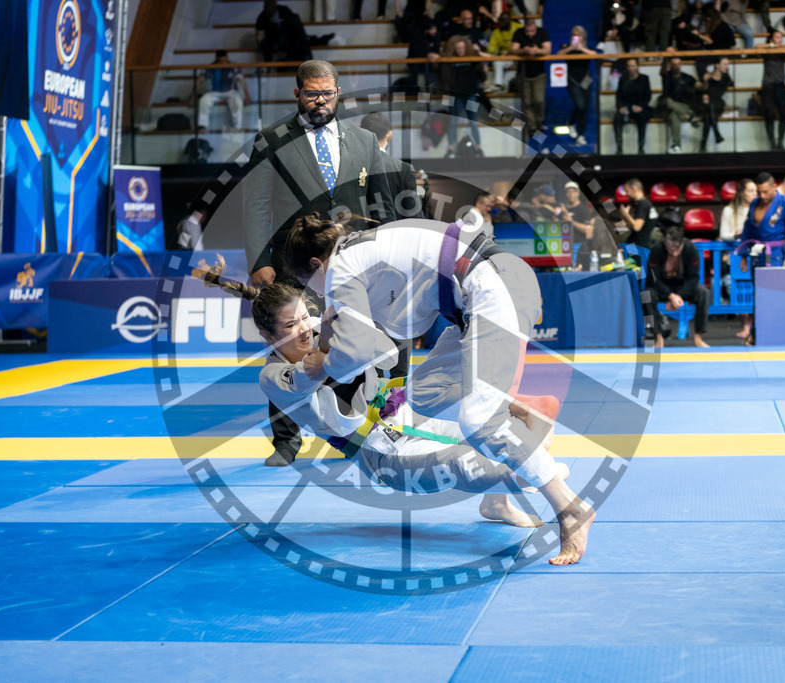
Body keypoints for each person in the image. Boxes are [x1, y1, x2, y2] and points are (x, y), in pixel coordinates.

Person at [282, 214, 597, 565]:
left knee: (479, 423)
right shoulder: (360, 247)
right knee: (423, 394)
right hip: (478, 297)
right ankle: (498, 492)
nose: (316, 292)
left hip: (494, 290)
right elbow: (370, 335)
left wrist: (322, 365)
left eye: (309, 283)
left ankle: (570, 508)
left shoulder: (341, 268)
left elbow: (356, 353)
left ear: (316, 263)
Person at [199, 265, 558, 529]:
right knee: (485, 465)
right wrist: (335, 340)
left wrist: (351, 327)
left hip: (405, 409)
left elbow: (387, 356)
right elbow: (310, 377)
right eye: (291, 326)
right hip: (382, 452)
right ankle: (532, 479)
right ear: (267, 335)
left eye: (306, 316)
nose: (306, 328)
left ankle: (496, 503)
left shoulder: (328, 330)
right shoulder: (271, 377)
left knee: (488, 412)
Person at [242, 60, 395, 467]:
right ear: (298, 94)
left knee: (354, 342)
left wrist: (387, 255)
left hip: (352, 262)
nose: (320, 101)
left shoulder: (363, 141)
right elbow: (256, 205)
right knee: (288, 347)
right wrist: (259, 260)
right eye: (312, 93)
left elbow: (382, 204)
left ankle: (362, 429)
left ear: (338, 93)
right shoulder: (271, 140)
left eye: (327, 93)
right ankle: (286, 441)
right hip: (292, 262)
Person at [648, 225, 710, 349]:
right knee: (646, 294)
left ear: (682, 243)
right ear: (665, 244)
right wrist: (669, 296)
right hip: (662, 286)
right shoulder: (657, 249)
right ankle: (658, 337)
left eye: (677, 249)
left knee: (703, 293)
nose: (674, 253)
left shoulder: (690, 249)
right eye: (671, 249)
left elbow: (693, 277)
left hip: (683, 286)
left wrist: (679, 296)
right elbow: (653, 278)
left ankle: (698, 337)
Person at [359, 111, 421, 221]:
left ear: (361, 136)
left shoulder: (352, 166)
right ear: (389, 136)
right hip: (394, 230)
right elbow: (414, 215)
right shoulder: (404, 169)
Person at [718, 178, 757, 338]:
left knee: (754, 288)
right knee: (740, 289)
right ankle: (746, 326)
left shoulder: (758, 208)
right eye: (751, 190)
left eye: (755, 190)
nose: (755, 193)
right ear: (742, 192)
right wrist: (737, 235)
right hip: (736, 256)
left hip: (755, 254)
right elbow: (723, 234)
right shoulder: (729, 210)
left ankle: (753, 326)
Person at [742, 171, 785, 266]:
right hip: (756, 252)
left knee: (773, 276)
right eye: (759, 192)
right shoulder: (754, 203)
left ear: (774, 187)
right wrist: (743, 254)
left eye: (765, 192)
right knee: (755, 276)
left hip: (775, 253)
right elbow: (747, 229)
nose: (762, 196)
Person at [440, 35, 487, 157]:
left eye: (462, 48)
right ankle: (451, 148)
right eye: (458, 48)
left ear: (466, 47)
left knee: (473, 121)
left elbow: (481, 75)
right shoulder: (450, 61)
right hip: (455, 95)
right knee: (452, 122)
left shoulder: (472, 59)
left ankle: (478, 148)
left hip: (470, 94)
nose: (460, 50)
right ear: (454, 49)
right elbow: (445, 77)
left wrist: (483, 68)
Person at [557, 25, 600, 145]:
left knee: (584, 108)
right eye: (574, 35)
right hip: (573, 80)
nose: (576, 37)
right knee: (580, 106)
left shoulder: (587, 48)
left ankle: (581, 135)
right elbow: (558, 55)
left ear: (583, 37)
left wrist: (582, 48)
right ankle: (571, 123)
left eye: (578, 35)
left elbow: (595, 55)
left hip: (586, 79)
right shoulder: (566, 47)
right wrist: (571, 47)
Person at [510, 17, 552, 140]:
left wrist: (536, 50)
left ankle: (539, 122)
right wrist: (524, 50)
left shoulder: (542, 32)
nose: (529, 34)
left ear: (535, 27)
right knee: (527, 102)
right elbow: (513, 50)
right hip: (523, 73)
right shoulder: (518, 33)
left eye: (532, 31)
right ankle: (532, 127)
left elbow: (547, 50)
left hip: (539, 73)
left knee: (539, 100)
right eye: (527, 31)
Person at [196, 51, 251, 132]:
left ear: (227, 59)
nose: (223, 63)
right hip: (214, 92)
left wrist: (247, 97)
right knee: (203, 100)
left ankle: (237, 127)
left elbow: (242, 80)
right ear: (216, 60)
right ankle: (203, 126)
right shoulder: (210, 67)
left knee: (238, 101)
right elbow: (199, 80)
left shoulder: (233, 66)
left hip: (230, 91)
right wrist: (193, 95)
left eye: (224, 61)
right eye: (220, 61)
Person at [563, 180, 610, 270]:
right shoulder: (564, 209)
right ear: (565, 194)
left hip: (580, 247)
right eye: (568, 192)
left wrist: (572, 222)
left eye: (573, 192)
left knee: (577, 269)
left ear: (578, 193)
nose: (571, 194)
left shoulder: (583, 209)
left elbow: (588, 229)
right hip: (566, 246)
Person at [659, 56, 698, 154]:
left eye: (678, 64)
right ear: (670, 65)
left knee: (674, 116)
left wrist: (705, 82)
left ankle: (677, 146)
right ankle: (689, 115)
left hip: (682, 106)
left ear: (681, 65)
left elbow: (698, 86)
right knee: (667, 101)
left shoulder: (687, 78)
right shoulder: (667, 77)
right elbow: (663, 71)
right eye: (674, 64)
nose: (676, 66)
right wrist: (665, 57)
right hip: (669, 106)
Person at [613, 58, 652, 155]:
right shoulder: (623, 79)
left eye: (633, 66)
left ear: (637, 66)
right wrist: (621, 107)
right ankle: (619, 148)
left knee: (642, 117)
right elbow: (619, 96)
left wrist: (641, 107)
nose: (631, 68)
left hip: (640, 108)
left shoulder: (644, 79)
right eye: (629, 66)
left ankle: (641, 148)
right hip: (627, 107)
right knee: (617, 118)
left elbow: (648, 95)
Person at [761, 30, 785, 151]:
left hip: (780, 83)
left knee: (784, 113)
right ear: (771, 39)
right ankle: (772, 143)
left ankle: (780, 142)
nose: (780, 39)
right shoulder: (767, 50)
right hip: (768, 84)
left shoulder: (783, 51)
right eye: (777, 37)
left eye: (781, 37)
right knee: (769, 114)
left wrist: (778, 46)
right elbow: (757, 46)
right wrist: (772, 45)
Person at [698, 56, 732, 152]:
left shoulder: (726, 77)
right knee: (708, 113)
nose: (727, 66)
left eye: (728, 64)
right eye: (725, 64)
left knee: (707, 116)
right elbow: (704, 90)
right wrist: (705, 81)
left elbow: (721, 91)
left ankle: (703, 143)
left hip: (717, 103)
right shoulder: (708, 76)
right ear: (717, 65)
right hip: (707, 103)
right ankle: (717, 134)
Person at [618, 178, 659, 249]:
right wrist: (625, 219)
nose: (626, 194)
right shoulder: (643, 203)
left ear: (634, 188)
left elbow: (637, 227)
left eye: (627, 191)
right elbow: (634, 224)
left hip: (640, 246)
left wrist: (626, 214)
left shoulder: (643, 204)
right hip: (638, 244)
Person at [487, 12, 522, 92]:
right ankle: (499, 85)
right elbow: (492, 49)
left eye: (502, 20)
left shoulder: (519, 28)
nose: (500, 22)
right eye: (499, 20)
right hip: (506, 58)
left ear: (509, 20)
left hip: (518, 56)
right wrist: (490, 51)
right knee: (497, 62)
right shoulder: (497, 32)